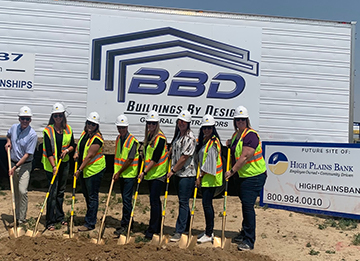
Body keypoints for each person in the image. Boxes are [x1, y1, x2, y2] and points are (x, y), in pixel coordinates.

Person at [224, 106, 267, 251]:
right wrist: (230, 143)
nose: (240, 122)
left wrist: (232, 171)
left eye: (242, 119)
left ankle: (249, 240)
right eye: (238, 119)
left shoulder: (251, 135)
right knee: (245, 205)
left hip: (254, 176)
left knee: (248, 207)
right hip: (245, 176)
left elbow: (245, 156)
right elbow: (236, 146)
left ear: (247, 120)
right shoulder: (238, 135)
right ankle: (244, 233)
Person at [42, 102, 75, 231]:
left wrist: (67, 151)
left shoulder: (68, 129)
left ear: (63, 116)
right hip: (52, 166)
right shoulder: (48, 131)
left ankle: (60, 216)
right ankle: (50, 220)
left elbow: (72, 145)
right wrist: (54, 166)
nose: (58, 118)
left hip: (64, 164)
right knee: (53, 193)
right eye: (55, 116)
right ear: (52, 117)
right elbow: (48, 151)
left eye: (60, 115)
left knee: (61, 192)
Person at [138, 110, 168, 239]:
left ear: (157, 124)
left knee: (154, 201)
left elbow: (155, 158)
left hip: (157, 173)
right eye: (149, 123)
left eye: (153, 123)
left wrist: (144, 172)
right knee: (154, 201)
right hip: (151, 174)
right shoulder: (150, 137)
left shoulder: (160, 138)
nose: (150, 125)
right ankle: (155, 225)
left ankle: (153, 229)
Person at [5, 106, 38, 225]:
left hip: (24, 166)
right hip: (12, 162)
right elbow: (8, 135)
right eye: (23, 118)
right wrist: (8, 142)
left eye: (27, 119)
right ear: (19, 119)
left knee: (22, 191)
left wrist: (15, 167)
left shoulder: (32, 135)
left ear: (30, 120)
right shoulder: (14, 128)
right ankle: (16, 217)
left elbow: (27, 155)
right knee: (15, 192)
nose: (25, 121)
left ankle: (22, 219)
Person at [167, 110, 196, 242]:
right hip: (179, 174)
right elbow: (175, 150)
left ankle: (179, 231)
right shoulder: (178, 136)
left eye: (184, 122)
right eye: (179, 121)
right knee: (183, 202)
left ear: (188, 123)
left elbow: (184, 157)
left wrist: (172, 170)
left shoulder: (190, 138)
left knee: (183, 202)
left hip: (187, 174)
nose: (181, 123)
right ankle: (186, 227)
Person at [74, 112, 106, 231]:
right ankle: (90, 216)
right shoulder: (85, 133)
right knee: (87, 195)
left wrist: (79, 170)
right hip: (86, 170)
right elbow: (80, 144)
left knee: (92, 196)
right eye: (89, 123)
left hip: (94, 170)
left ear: (97, 126)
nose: (90, 126)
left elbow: (89, 156)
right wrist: (77, 152)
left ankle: (90, 223)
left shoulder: (97, 139)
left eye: (93, 124)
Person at [195, 114, 223, 244]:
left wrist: (200, 177)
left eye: (209, 128)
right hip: (207, 178)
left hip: (210, 179)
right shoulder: (206, 141)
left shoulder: (213, 142)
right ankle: (208, 230)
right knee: (206, 205)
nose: (206, 130)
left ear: (213, 129)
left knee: (207, 205)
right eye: (204, 128)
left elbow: (210, 163)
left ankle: (209, 233)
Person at [113, 115, 139, 237]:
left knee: (127, 200)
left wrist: (119, 172)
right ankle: (128, 222)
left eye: (123, 127)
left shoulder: (132, 141)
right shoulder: (118, 139)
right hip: (121, 174)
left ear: (127, 127)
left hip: (129, 174)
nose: (121, 129)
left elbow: (129, 159)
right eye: (119, 127)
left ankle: (126, 224)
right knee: (125, 199)